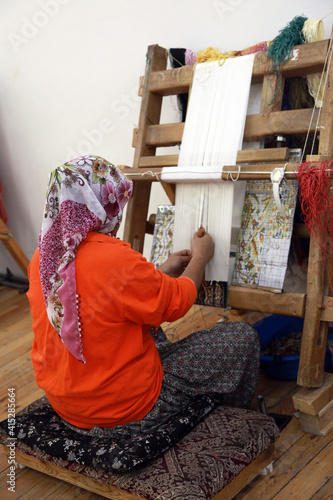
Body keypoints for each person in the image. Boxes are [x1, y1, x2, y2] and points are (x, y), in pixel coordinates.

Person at [28, 155, 260, 440]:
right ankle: (228, 416)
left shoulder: (44, 256)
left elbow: (99, 299)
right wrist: (201, 257)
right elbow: (178, 301)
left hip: (67, 406)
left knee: (148, 324)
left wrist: (160, 271)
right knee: (242, 336)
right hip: (125, 411)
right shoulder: (114, 257)